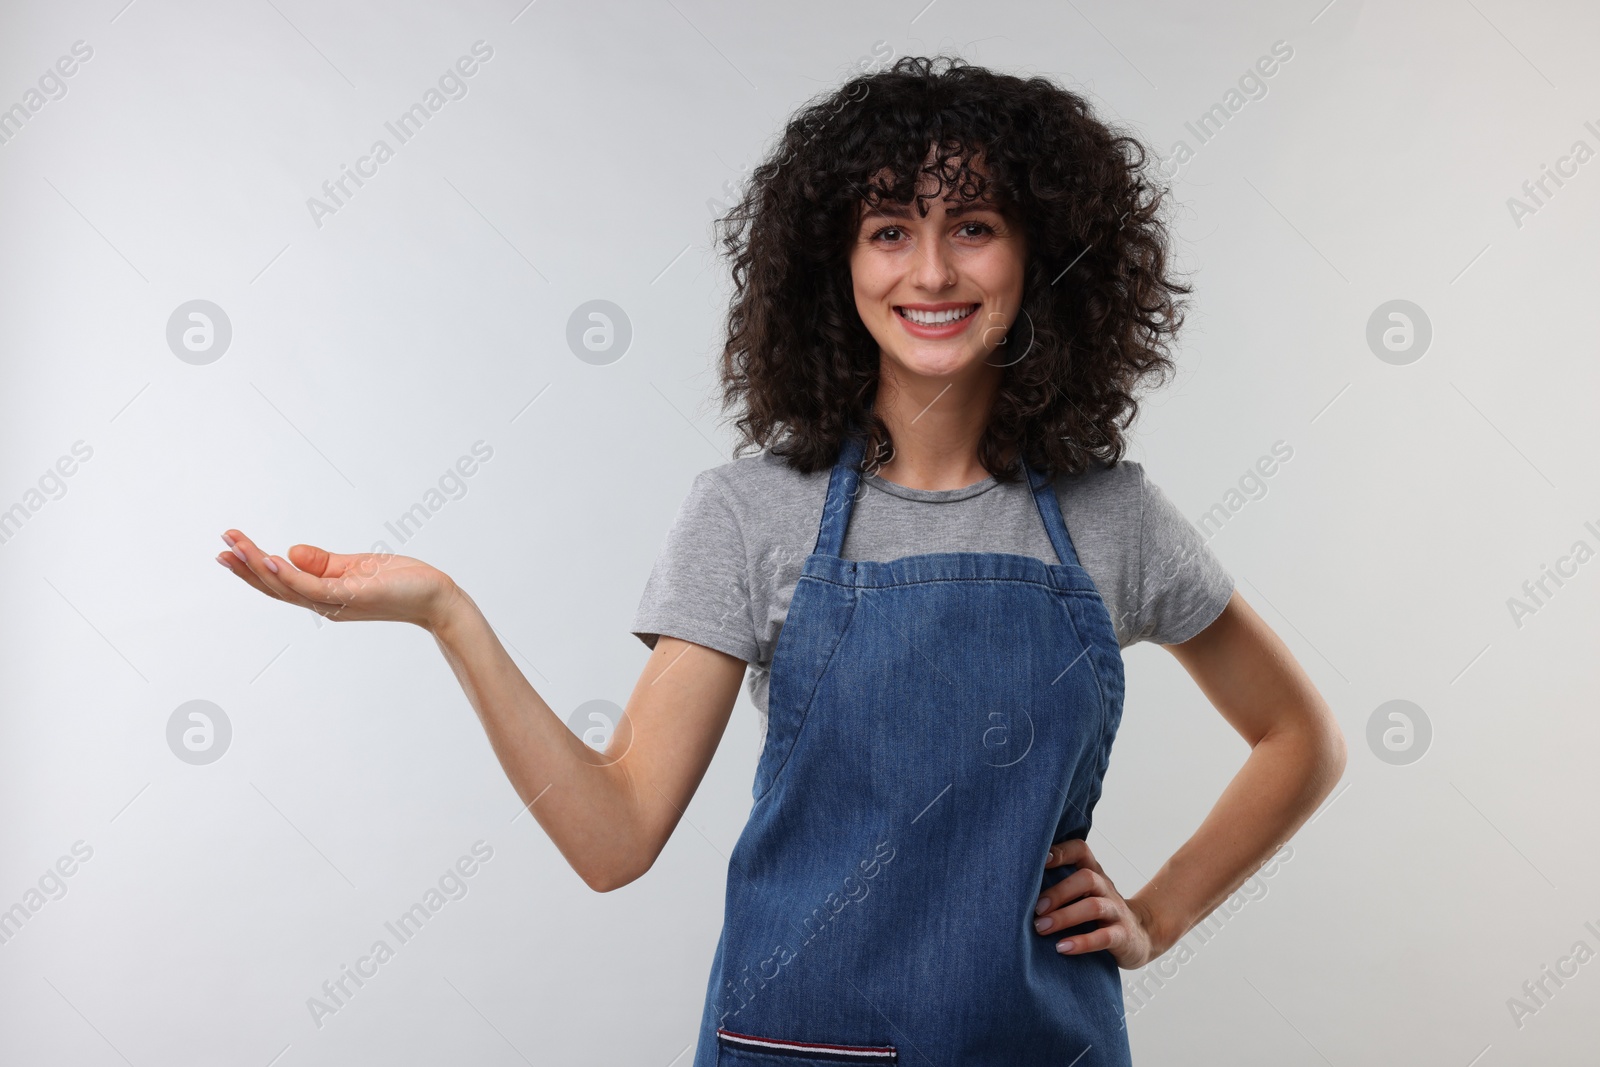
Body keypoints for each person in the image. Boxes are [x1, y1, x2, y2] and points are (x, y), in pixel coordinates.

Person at [217, 55, 1345, 1067]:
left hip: (1038, 1042)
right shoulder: (751, 515)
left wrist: (1159, 911)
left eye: (976, 226)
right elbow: (612, 837)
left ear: (1042, 253)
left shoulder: (1115, 517)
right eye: (891, 228)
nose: (934, 271)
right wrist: (444, 611)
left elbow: (1300, 738)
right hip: (796, 1045)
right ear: (836, 266)